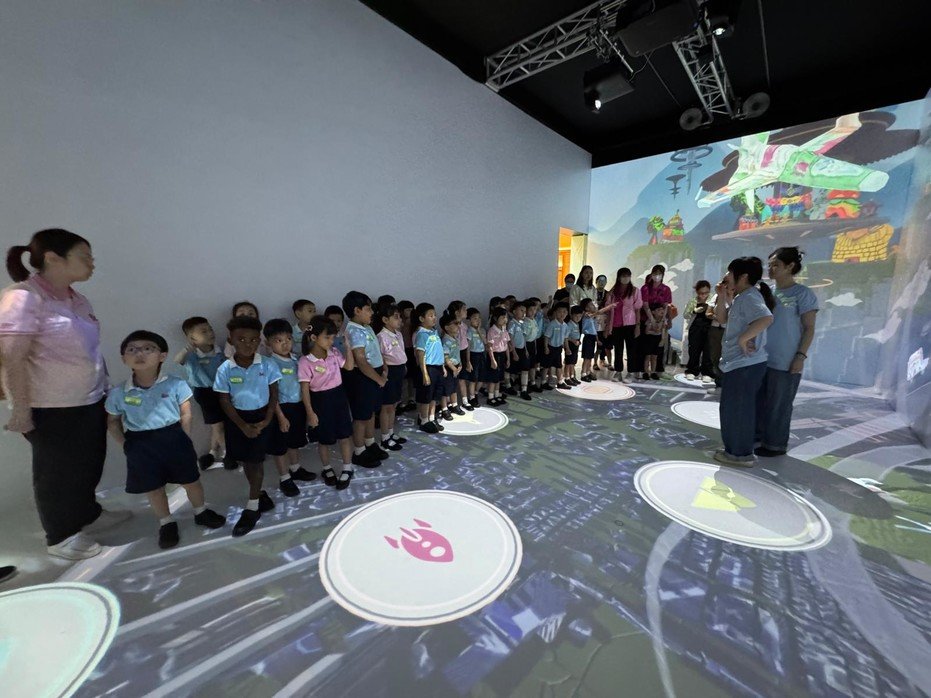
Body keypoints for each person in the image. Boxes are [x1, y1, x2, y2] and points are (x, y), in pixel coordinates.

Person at [1, 229, 129, 561]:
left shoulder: (77, 299)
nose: (92, 263)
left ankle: (88, 513)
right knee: (57, 473)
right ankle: (60, 536)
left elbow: (90, 350)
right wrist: (20, 410)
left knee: (88, 463)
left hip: (89, 398)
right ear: (53, 259)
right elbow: (12, 357)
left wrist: (106, 388)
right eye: (84, 256)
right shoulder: (23, 297)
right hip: (51, 406)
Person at [105, 330, 226, 549]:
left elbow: (185, 412)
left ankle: (201, 511)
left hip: (174, 437)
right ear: (124, 358)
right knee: (154, 486)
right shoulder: (119, 392)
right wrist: (126, 445)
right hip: (140, 443)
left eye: (147, 348)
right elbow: (113, 421)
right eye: (132, 350)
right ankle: (166, 522)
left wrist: (184, 436)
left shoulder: (175, 384)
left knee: (191, 480)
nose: (139, 353)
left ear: (162, 355)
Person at [213, 315, 281, 536]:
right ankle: (258, 494)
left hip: (261, 417)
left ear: (259, 341)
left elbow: (274, 393)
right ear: (231, 340)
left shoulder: (267, 364)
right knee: (247, 460)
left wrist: (268, 419)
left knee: (256, 461)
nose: (247, 344)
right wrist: (242, 425)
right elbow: (224, 400)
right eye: (241, 339)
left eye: (253, 340)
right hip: (237, 419)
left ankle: (252, 508)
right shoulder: (225, 369)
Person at [756, 247, 819, 457]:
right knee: (758, 401)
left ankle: (774, 445)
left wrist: (800, 356)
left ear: (790, 266)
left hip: (785, 360)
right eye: (770, 265)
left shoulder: (803, 294)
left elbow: (809, 328)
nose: (771, 269)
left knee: (779, 405)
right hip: (760, 357)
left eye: (776, 265)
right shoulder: (767, 292)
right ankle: (756, 439)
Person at [713, 257, 775, 467]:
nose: (726, 277)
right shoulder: (742, 298)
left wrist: (743, 339)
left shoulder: (749, 297)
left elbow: (766, 318)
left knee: (738, 410)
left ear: (743, 276)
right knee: (733, 408)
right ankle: (735, 449)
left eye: (730, 273)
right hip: (738, 364)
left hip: (745, 364)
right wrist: (722, 296)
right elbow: (722, 319)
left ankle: (739, 454)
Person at [299, 316, 357, 490]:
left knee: (344, 435)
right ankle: (327, 468)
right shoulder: (305, 361)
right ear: (313, 337)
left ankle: (347, 467)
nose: (331, 341)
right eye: (327, 337)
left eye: (332, 337)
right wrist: (310, 412)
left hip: (338, 397)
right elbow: (305, 390)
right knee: (323, 439)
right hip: (320, 401)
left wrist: (348, 347)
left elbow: (349, 367)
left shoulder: (334, 353)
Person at [263, 319, 316, 494]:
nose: (285, 344)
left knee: (294, 441)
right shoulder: (270, 363)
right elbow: (272, 394)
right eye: (278, 340)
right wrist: (280, 416)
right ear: (268, 343)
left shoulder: (296, 359)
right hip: (281, 409)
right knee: (281, 445)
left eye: (288, 339)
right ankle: (284, 477)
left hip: (297, 406)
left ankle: (295, 468)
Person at [342, 291, 389, 468]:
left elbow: (375, 350)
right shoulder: (354, 330)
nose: (372, 312)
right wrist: (379, 379)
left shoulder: (366, 327)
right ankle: (359, 451)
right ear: (357, 310)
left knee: (370, 412)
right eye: (368, 309)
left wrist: (383, 366)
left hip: (373, 375)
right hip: (362, 378)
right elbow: (361, 361)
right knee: (361, 417)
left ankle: (370, 443)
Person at [177, 316, 227, 469]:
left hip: (222, 391)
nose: (210, 333)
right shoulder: (191, 356)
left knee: (218, 425)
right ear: (192, 338)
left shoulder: (219, 352)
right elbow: (178, 360)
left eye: (210, 329)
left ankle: (213, 452)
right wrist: (187, 349)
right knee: (217, 425)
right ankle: (228, 454)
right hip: (205, 393)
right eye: (204, 331)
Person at [377, 303, 408, 450]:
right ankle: (385, 437)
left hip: (399, 370)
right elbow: (381, 356)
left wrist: (404, 365)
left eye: (400, 316)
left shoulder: (398, 334)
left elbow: (401, 352)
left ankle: (391, 433)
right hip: (389, 371)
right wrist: (384, 372)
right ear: (385, 319)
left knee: (394, 403)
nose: (399, 319)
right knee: (387, 406)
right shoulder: (381, 336)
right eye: (396, 317)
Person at [413, 302, 446, 433]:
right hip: (428, 368)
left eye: (434, 315)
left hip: (437, 367)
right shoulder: (421, 334)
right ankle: (424, 420)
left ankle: (431, 417)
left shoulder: (434, 332)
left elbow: (439, 351)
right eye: (430, 315)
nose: (434, 318)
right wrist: (425, 373)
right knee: (426, 396)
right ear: (422, 318)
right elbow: (420, 354)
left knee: (434, 396)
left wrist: (442, 367)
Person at [607, 267, 643, 384]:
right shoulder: (613, 291)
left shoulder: (635, 290)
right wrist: (608, 326)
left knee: (631, 349)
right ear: (619, 277)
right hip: (616, 324)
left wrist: (638, 326)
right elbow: (609, 308)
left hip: (630, 324)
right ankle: (618, 371)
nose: (625, 278)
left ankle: (630, 372)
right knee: (618, 349)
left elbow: (637, 309)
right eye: (623, 276)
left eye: (628, 275)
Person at [638, 265, 673, 376]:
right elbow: (645, 305)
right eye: (655, 273)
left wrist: (662, 320)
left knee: (658, 347)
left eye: (659, 274)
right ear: (652, 274)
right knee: (645, 347)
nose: (657, 276)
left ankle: (656, 370)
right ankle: (643, 370)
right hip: (646, 319)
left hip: (660, 321)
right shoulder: (645, 288)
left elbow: (666, 306)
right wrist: (652, 320)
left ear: (662, 275)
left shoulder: (666, 289)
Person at [683, 281, 715, 384]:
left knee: (708, 350)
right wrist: (694, 310)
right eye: (701, 293)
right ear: (697, 292)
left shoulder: (713, 299)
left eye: (706, 292)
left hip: (710, 327)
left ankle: (707, 373)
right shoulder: (693, 301)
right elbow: (685, 315)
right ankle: (692, 370)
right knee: (694, 349)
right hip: (696, 327)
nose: (704, 295)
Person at [440, 313, 464, 418]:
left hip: (456, 367)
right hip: (449, 368)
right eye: (455, 324)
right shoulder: (446, 340)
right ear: (446, 327)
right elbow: (445, 357)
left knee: (454, 387)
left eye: (458, 323)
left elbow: (457, 353)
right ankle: (444, 409)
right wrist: (453, 368)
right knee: (445, 389)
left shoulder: (456, 338)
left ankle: (454, 405)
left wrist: (460, 364)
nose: (458, 326)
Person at [544, 302, 571, 390]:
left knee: (559, 365)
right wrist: (546, 347)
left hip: (558, 348)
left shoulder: (565, 326)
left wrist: (567, 348)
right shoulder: (552, 324)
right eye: (559, 312)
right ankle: (543, 382)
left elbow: (566, 338)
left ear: (567, 313)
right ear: (555, 312)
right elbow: (546, 336)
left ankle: (560, 382)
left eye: (564, 312)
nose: (562, 314)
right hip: (551, 347)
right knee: (546, 365)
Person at [507, 302, 532, 400]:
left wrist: (526, 349)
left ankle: (524, 390)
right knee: (510, 369)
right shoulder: (512, 324)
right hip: (514, 350)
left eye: (525, 311)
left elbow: (524, 338)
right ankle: (508, 386)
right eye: (521, 310)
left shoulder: (522, 324)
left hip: (522, 349)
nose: (523, 313)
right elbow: (510, 338)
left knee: (525, 369)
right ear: (514, 311)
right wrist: (514, 352)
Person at [464, 307, 487, 409]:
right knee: (473, 378)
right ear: (469, 320)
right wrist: (468, 361)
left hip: (481, 354)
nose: (477, 320)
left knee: (481, 377)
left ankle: (476, 392)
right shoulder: (469, 331)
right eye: (474, 318)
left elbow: (485, 342)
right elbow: (468, 348)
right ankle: (472, 397)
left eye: (479, 318)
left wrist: (478, 331)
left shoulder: (482, 330)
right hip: (473, 355)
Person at [397, 300, 417, 412]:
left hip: (411, 351)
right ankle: (400, 400)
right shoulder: (399, 322)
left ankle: (411, 398)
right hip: (401, 350)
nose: (410, 312)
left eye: (411, 309)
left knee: (411, 377)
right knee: (402, 377)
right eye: (407, 309)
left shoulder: (413, 322)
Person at [642, 303, 668, 378]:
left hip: (658, 339)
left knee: (655, 357)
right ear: (653, 312)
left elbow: (663, 330)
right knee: (648, 356)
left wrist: (662, 340)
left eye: (662, 309)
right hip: (649, 339)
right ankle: (646, 372)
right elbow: (647, 331)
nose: (661, 311)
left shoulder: (663, 320)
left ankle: (653, 372)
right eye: (659, 310)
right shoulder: (650, 320)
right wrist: (654, 331)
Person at [564, 305, 584, 385]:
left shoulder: (577, 324)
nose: (578, 318)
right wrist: (568, 348)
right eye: (576, 316)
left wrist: (578, 341)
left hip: (576, 344)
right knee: (568, 362)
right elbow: (565, 337)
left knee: (573, 362)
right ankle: (567, 377)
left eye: (580, 316)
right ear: (571, 315)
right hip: (570, 345)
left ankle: (572, 376)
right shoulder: (569, 324)